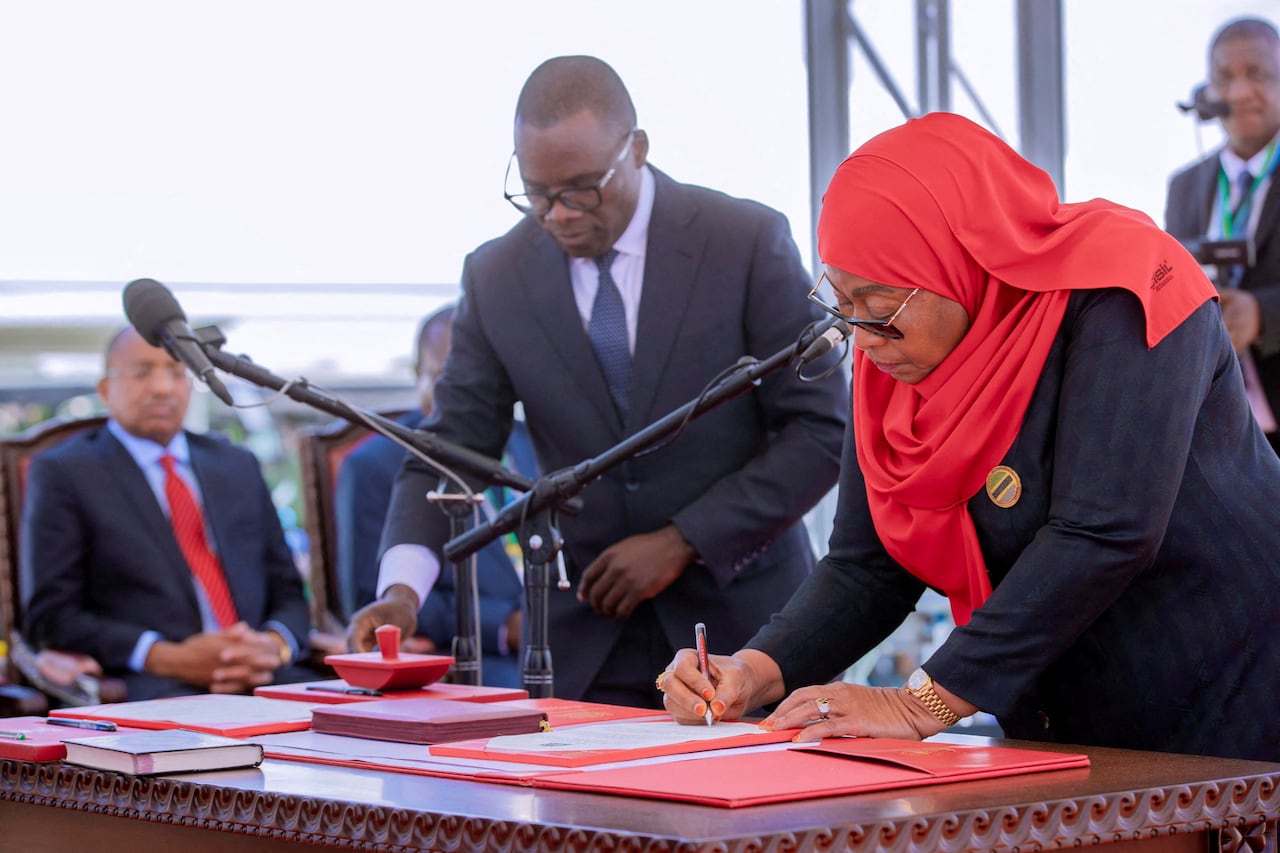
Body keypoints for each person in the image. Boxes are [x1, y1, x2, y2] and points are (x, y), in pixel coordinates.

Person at [659, 112, 1280, 763]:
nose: (863, 340)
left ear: (965, 259)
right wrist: (754, 669)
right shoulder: (896, 357)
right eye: (843, 302)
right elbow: (868, 565)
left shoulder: (1126, 287)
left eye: (880, 305)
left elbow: (1104, 529)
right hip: (1061, 710)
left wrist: (918, 703)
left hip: (1228, 684)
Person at [347, 55, 848, 706]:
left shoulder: (744, 240)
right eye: (536, 193)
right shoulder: (498, 275)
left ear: (636, 150)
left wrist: (683, 539)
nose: (558, 214)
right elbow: (449, 449)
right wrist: (401, 590)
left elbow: (821, 430)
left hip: (746, 638)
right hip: (586, 650)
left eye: (582, 189)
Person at [21, 327, 315, 701]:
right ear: (106, 389)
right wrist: (166, 657)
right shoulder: (66, 474)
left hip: (266, 676)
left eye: (177, 373)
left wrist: (274, 645)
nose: (162, 387)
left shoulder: (237, 465)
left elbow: (289, 593)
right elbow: (52, 616)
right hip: (151, 686)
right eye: (142, 372)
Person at [334, 304, 534, 687]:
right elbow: (368, 599)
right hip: (468, 661)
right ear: (417, 377)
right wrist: (501, 625)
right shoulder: (375, 465)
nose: (461, 394)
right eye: (446, 377)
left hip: (559, 639)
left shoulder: (531, 442)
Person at [1166, 16, 1280, 454]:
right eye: (1224, 78)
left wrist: (1262, 314)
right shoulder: (1184, 186)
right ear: (1205, 94)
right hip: (1213, 426)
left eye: (1256, 74)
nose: (1237, 92)